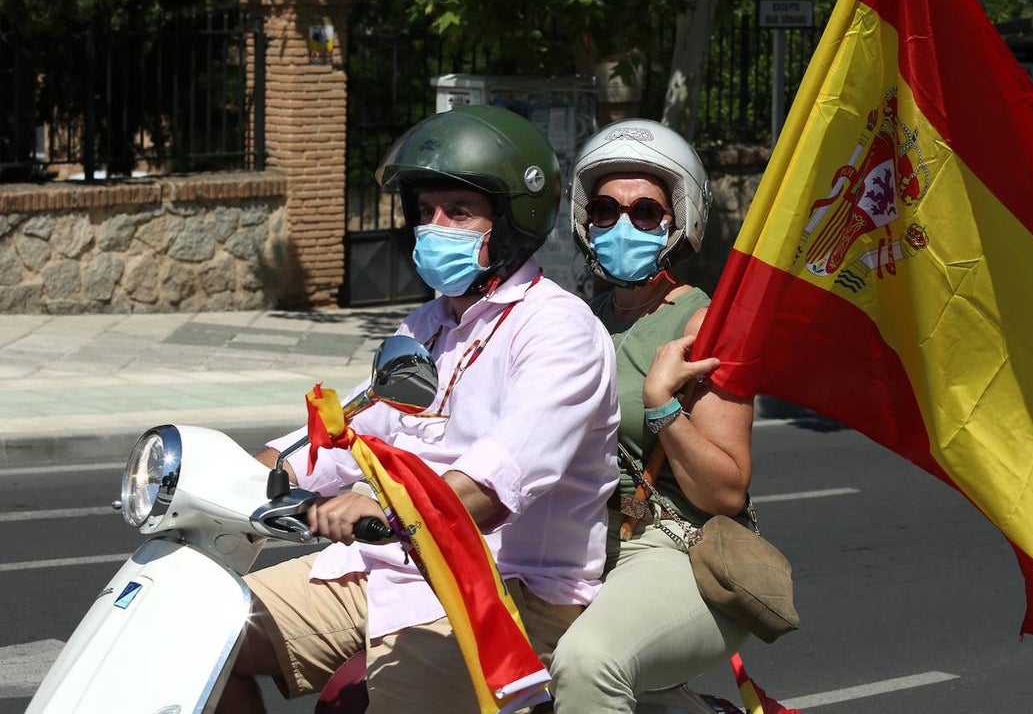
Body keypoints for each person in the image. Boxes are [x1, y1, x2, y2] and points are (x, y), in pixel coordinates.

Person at [219, 105, 620, 713]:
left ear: (512, 221)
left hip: (508, 591)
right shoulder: (429, 325)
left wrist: (378, 506)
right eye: (425, 211)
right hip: (390, 568)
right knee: (205, 635)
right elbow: (352, 427)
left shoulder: (558, 330)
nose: (435, 226)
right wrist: (255, 468)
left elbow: (496, 480)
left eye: (458, 212)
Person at [549, 118, 754, 712]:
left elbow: (726, 492)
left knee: (590, 665)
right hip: (579, 543)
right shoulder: (576, 320)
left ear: (678, 221)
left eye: (644, 213)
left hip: (674, 546)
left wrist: (664, 406)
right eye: (606, 210)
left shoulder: (702, 327)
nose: (622, 225)